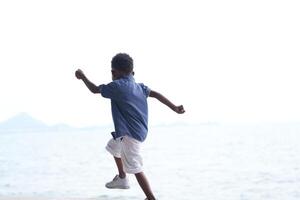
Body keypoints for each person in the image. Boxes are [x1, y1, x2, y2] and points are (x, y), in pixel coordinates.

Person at [75, 53, 185, 200]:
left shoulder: (116, 86)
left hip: (130, 135)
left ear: (113, 73)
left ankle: (151, 198)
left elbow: (94, 89)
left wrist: (82, 76)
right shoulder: (140, 87)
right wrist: (174, 107)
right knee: (113, 147)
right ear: (132, 73)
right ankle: (122, 177)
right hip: (137, 131)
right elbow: (156, 94)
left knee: (135, 167)